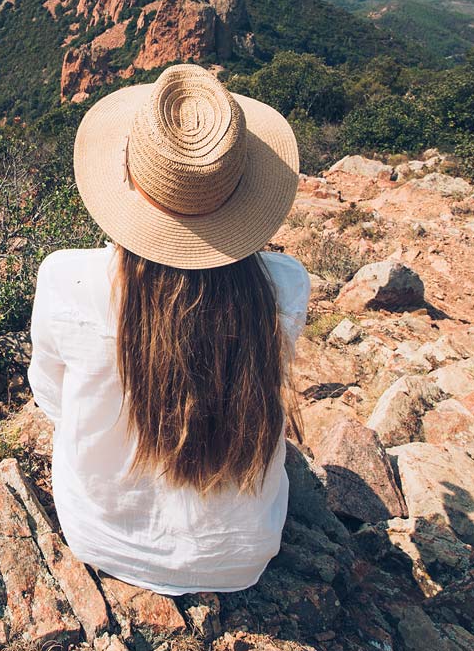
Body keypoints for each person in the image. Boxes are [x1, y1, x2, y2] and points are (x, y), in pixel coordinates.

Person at [29, 62, 309, 595]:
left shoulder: (66, 278)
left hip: (100, 536)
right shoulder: (287, 286)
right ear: (241, 189)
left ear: (129, 178)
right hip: (242, 556)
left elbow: (52, 398)